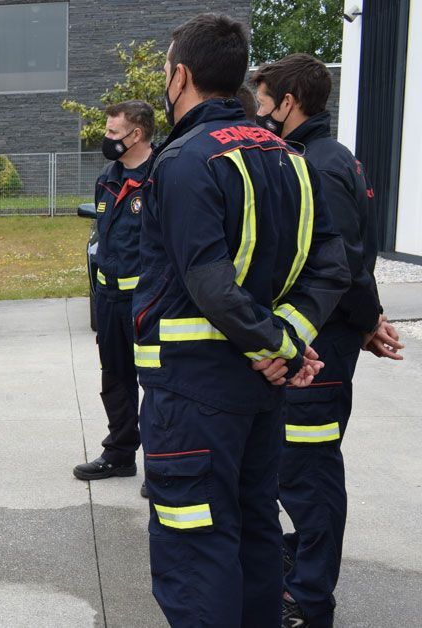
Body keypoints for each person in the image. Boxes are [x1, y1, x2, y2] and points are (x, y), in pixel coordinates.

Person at [134, 14, 350, 626]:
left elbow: (207, 280)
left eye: (167, 68)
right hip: (263, 394)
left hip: (194, 393)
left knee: (194, 545)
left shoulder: (184, 161)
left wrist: (273, 341)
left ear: (180, 75)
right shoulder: (290, 157)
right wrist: (293, 337)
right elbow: (332, 265)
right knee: (255, 531)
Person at [251, 53, 407, 628]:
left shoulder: (318, 163)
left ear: (288, 102)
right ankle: (302, 559)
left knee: (309, 472)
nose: (259, 110)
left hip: (323, 350)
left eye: (263, 100)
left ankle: (310, 597)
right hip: (319, 342)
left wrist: (367, 323)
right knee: (295, 467)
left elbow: (342, 264)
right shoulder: (317, 155)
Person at [73, 101, 155, 485]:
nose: (105, 139)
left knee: (156, 384)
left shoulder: (162, 174)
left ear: (136, 134)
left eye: (112, 133)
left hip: (148, 302)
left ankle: (160, 466)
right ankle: (120, 454)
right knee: (115, 379)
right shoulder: (108, 175)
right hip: (109, 300)